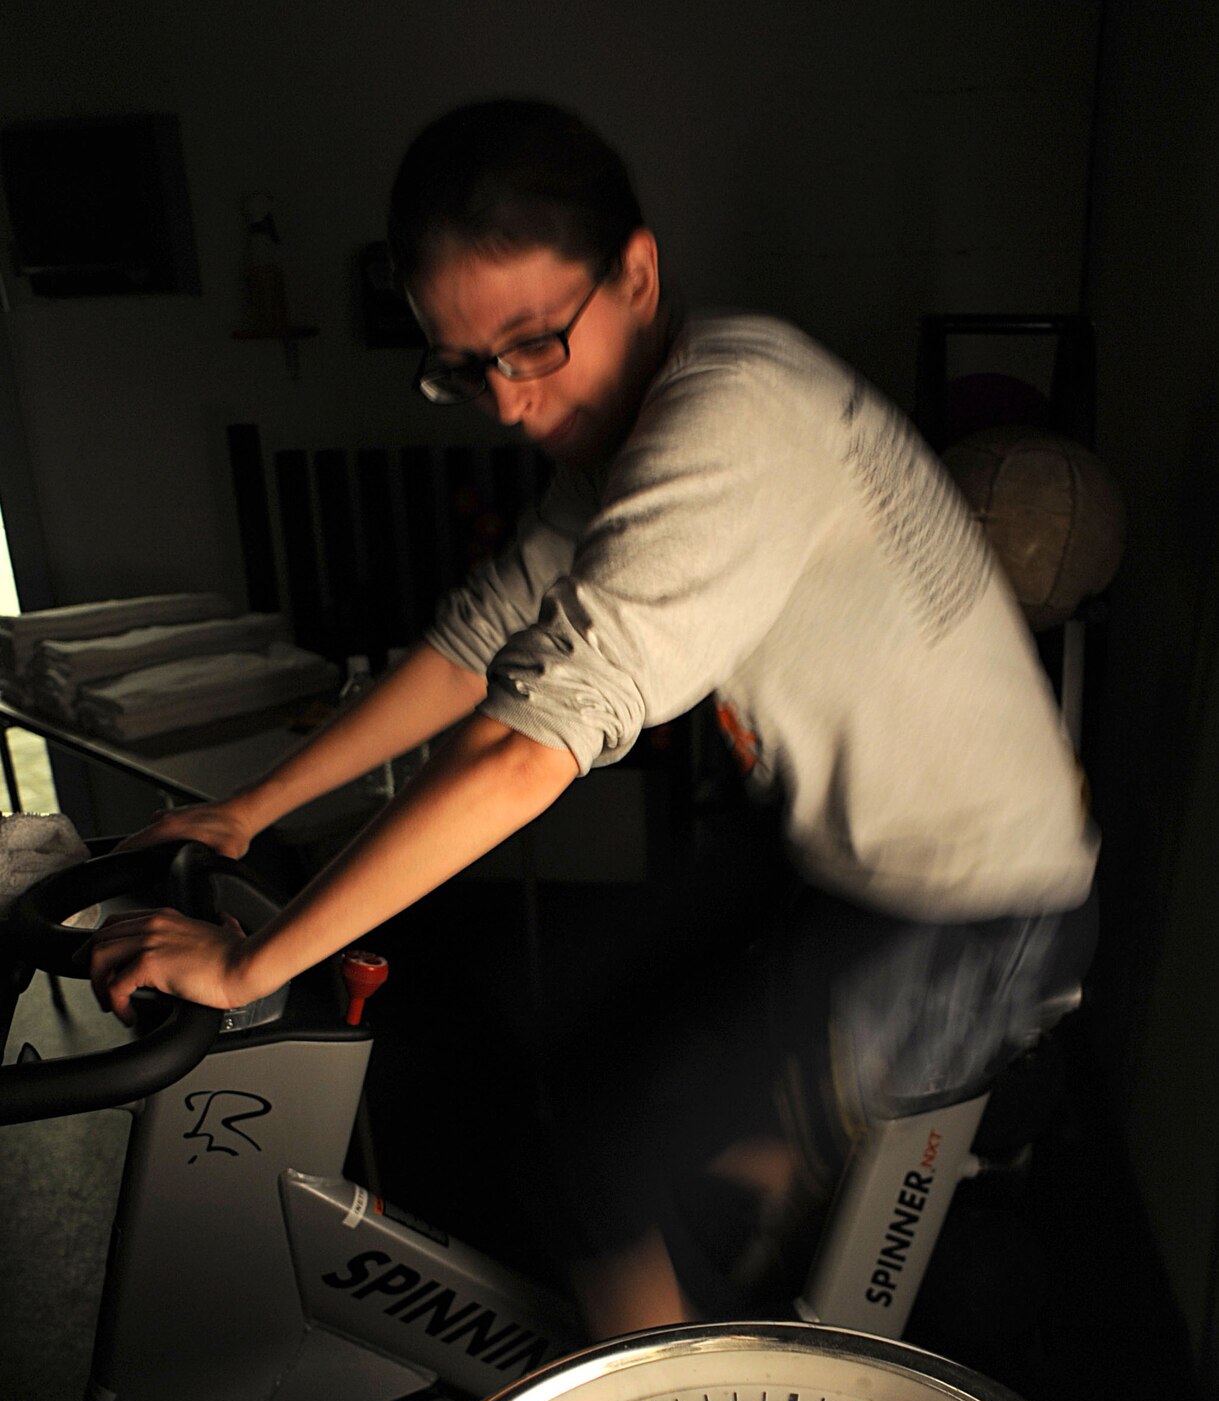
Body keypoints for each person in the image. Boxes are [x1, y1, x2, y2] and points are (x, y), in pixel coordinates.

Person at [89, 98, 1098, 1338]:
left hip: (978, 914)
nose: (506, 405)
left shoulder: (733, 420)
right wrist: (253, 808)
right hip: (843, 862)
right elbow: (477, 650)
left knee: (602, 1170)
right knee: (525, 1015)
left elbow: (522, 749)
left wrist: (251, 962)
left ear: (636, 273)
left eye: (529, 346)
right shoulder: (634, 424)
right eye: (466, 367)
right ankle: (695, 1275)